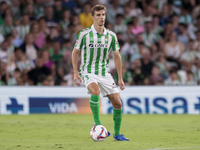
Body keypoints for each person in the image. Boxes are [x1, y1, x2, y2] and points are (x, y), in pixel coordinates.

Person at [71, 4, 129, 141]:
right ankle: (98, 125)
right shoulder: (84, 34)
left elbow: (116, 56)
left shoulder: (111, 36)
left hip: (104, 73)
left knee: (118, 103)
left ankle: (117, 134)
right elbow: (75, 53)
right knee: (95, 91)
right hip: (88, 71)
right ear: (92, 18)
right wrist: (75, 72)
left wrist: (120, 77)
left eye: (103, 14)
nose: (101, 17)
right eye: (98, 15)